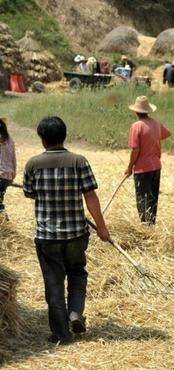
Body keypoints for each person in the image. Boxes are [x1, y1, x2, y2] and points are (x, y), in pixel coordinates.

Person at [22, 116, 110, 344]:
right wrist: (102, 228)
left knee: (54, 283)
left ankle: (61, 334)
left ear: (42, 139)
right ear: (64, 136)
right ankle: (75, 313)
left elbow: (29, 193)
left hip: (47, 237)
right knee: (77, 273)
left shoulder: (33, 164)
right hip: (76, 235)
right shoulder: (79, 161)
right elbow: (90, 195)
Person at [125, 96, 171, 224]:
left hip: (142, 169)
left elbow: (135, 150)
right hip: (156, 166)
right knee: (152, 197)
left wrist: (129, 168)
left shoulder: (136, 126)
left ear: (136, 111)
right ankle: (151, 224)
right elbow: (167, 133)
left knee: (142, 198)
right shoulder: (156, 123)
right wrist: (154, 138)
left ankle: (145, 225)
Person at [0, 117, 16, 214]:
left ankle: (3, 221)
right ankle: (4, 221)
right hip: (8, 177)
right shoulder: (10, 140)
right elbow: (13, 159)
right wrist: (12, 175)